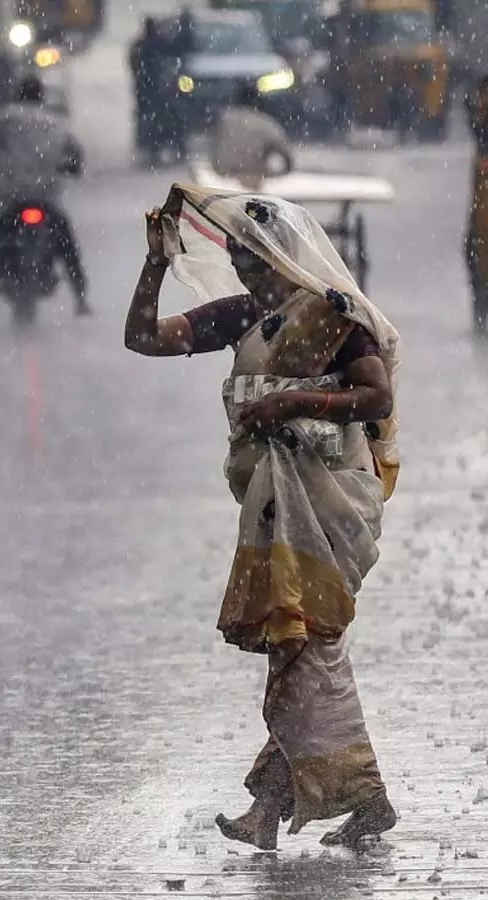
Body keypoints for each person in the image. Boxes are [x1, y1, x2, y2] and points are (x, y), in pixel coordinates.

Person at [123, 185, 402, 851]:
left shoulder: (334, 317)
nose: (250, 273)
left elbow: (374, 394)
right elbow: (142, 338)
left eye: (259, 261)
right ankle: (356, 801)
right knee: (299, 649)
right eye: (241, 261)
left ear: (287, 257)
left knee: (298, 646)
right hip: (275, 506)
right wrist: (157, 262)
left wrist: (294, 404)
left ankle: (278, 809)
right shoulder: (245, 316)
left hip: (330, 505)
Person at [0, 75, 89, 316]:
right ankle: (80, 298)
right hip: (46, 197)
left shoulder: (5, 118)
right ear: (41, 97)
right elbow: (75, 155)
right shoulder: (56, 121)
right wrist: (69, 167)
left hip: (10, 197)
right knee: (65, 239)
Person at [209, 84, 293, 188]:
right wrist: (282, 173)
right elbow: (285, 154)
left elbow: (212, 146)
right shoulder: (266, 123)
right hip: (255, 173)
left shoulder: (224, 120)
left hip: (223, 174)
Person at [129, 17, 175, 160]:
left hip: (151, 87)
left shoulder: (145, 44)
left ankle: (152, 143)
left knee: (153, 115)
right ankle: (150, 143)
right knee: (151, 115)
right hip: (149, 87)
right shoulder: (152, 44)